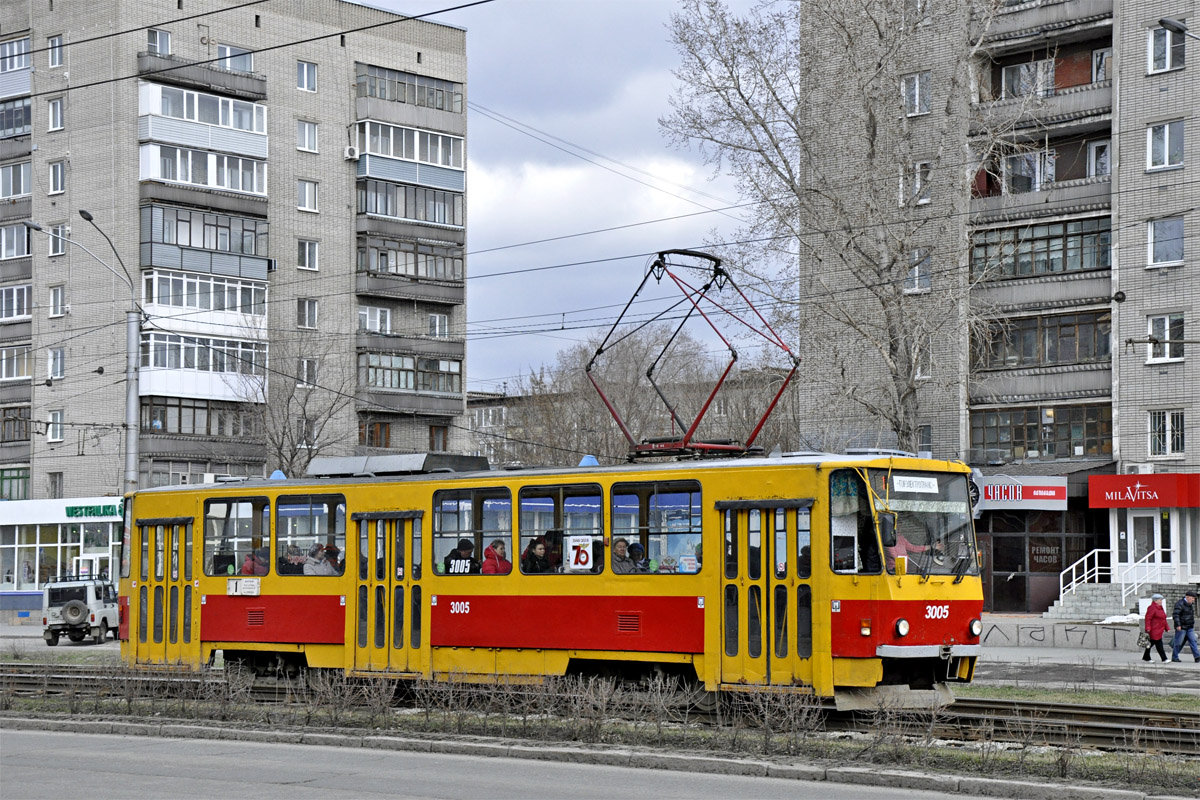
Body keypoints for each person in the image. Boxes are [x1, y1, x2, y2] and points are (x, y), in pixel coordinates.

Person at [1170, 590, 1199, 663]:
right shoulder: (1180, 604)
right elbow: (1176, 615)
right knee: (1178, 642)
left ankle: (1197, 657)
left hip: (1189, 627)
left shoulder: (1190, 604)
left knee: (1193, 641)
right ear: (1187, 597)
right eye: (1192, 598)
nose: (1193, 600)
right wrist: (1178, 625)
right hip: (1182, 627)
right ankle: (1175, 657)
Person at [1143, 593, 1169, 663]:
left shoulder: (1160, 608)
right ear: (1155, 601)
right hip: (1153, 630)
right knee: (1157, 644)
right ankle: (1164, 658)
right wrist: (1148, 627)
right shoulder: (1151, 608)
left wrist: (1167, 627)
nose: (1161, 601)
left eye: (1161, 600)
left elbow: (1163, 618)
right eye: (1160, 600)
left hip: (1159, 630)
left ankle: (1146, 657)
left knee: (1151, 644)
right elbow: (1148, 618)